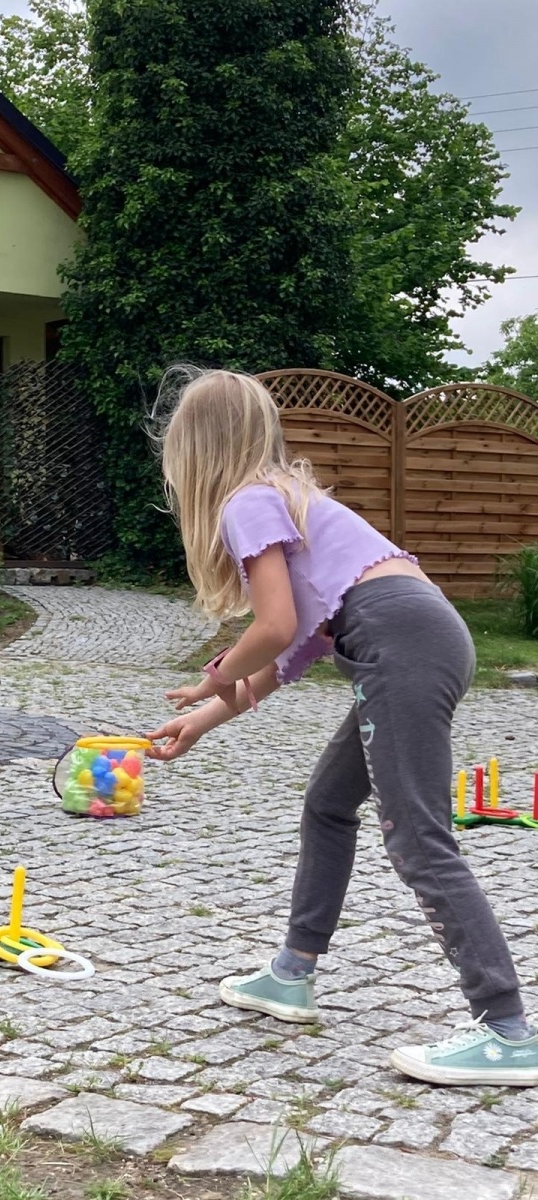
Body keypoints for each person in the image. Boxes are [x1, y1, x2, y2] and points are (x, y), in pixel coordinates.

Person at [147, 366, 538, 1087]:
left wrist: (213, 674)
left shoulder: (247, 503)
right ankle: (292, 972)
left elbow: (272, 628)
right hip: (417, 634)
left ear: (194, 451)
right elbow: (293, 652)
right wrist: (206, 717)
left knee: (417, 833)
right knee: (329, 803)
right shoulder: (290, 501)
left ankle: (509, 1029)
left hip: (400, 641)